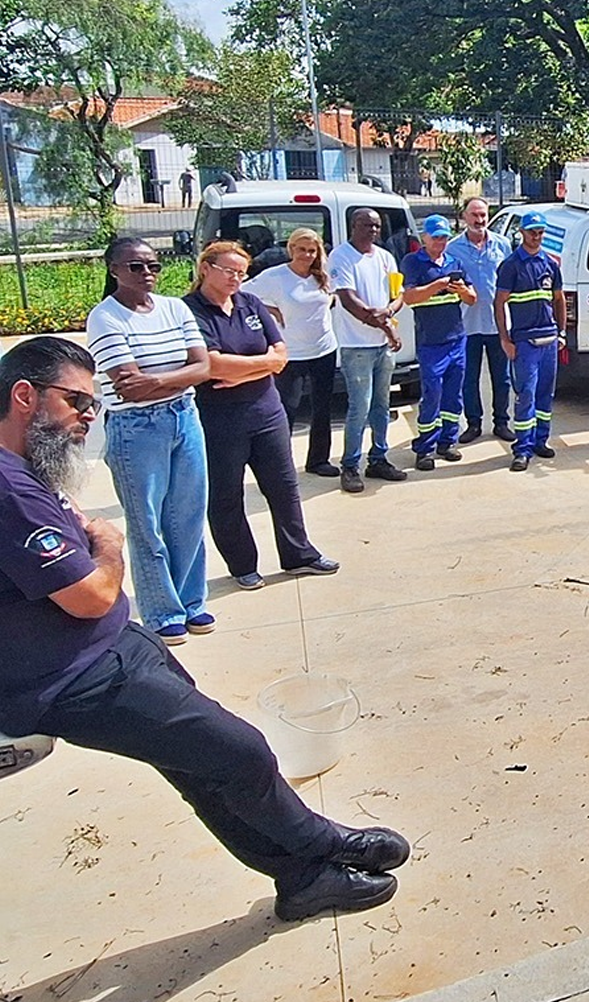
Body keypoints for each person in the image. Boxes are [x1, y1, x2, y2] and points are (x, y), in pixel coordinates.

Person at [0, 337, 410, 922]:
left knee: (202, 767)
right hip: (79, 679)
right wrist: (111, 550)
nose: (88, 419)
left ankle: (302, 879)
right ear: (25, 396)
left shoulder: (23, 469)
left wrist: (96, 551)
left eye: (94, 405)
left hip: (115, 649)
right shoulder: (9, 489)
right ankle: (323, 846)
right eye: (77, 403)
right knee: (239, 753)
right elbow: (91, 595)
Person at [184, 241, 339, 590]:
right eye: (229, 271)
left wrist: (248, 369)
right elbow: (210, 364)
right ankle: (243, 565)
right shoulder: (190, 311)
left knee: (284, 488)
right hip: (221, 419)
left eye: (242, 273)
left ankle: (299, 554)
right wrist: (262, 364)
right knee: (226, 496)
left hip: (267, 412)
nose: (236, 279)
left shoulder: (250, 303)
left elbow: (281, 355)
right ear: (205, 268)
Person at [86, 237, 213, 642]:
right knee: (148, 524)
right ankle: (162, 612)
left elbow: (204, 366)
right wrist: (173, 378)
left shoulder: (175, 308)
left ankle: (193, 603)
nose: (147, 274)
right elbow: (128, 389)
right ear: (114, 270)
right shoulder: (105, 318)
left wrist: (155, 379)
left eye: (153, 266)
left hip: (184, 419)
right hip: (136, 429)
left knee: (189, 516)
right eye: (135, 267)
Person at [245, 227, 340, 477]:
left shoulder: (323, 276)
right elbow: (242, 294)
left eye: (312, 250)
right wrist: (270, 311)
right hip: (291, 354)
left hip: (323, 350)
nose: (307, 255)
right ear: (291, 249)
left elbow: (333, 298)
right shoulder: (274, 277)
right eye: (301, 249)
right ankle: (280, 464)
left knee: (322, 409)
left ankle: (318, 460)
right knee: (286, 409)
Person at [328, 207, 408, 493]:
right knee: (359, 408)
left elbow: (398, 294)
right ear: (353, 226)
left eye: (376, 226)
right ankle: (350, 465)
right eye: (366, 225)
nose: (373, 230)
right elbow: (349, 300)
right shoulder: (341, 257)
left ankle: (378, 459)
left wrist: (389, 311)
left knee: (381, 406)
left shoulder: (385, 257)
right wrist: (387, 327)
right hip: (357, 346)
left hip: (382, 348)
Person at [399, 215, 477, 471]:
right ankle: (425, 448)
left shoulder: (454, 262)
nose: (441, 242)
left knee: (453, 396)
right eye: (436, 238)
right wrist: (438, 285)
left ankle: (448, 441)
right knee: (432, 394)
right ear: (424, 238)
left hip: (456, 339)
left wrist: (462, 291)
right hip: (431, 343)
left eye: (444, 237)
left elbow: (472, 298)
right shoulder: (413, 262)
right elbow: (409, 297)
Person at [494, 212, 567, 471]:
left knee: (545, 395)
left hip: (549, 340)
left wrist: (561, 333)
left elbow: (558, 300)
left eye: (540, 232)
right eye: (532, 231)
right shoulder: (511, 265)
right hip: (524, 342)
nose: (536, 236)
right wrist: (505, 339)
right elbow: (499, 303)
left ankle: (540, 441)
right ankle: (521, 449)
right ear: (522, 233)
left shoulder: (550, 263)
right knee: (526, 395)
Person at [445, 197, 513, 444]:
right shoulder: (452, 248)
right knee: (469, 378)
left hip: (499, 323)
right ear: (464, 216)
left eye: (483, 214)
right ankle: (473, 423)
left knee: (502, 377)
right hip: (467, 324)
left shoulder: (503, 245)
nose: (479, 220)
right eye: (474, 214)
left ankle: (502, 422)